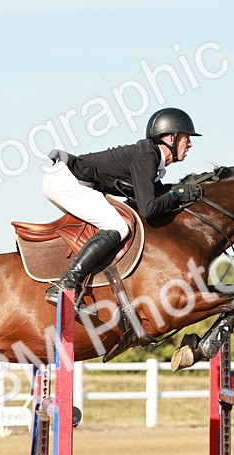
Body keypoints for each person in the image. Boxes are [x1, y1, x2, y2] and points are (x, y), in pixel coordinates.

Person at [42, 107, 205, 307]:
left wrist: (179, 192)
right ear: (170, 138)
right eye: (186, 138)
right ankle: (65, 284)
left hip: (68, 181)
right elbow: (148, 208)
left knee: (113, 223)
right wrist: (176, 194)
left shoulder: (151, 158)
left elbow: (155, 194)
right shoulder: (146, 157)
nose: (190, 144)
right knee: (119, 226)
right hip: (65, 181)